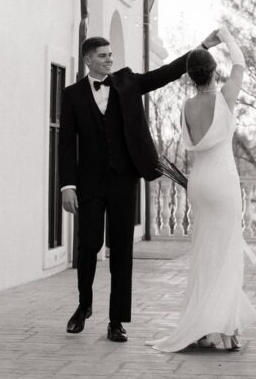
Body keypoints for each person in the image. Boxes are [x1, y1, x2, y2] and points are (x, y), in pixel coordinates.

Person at [58, 31, 221, 344]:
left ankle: (116, 321)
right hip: (89, 183)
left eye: (110, 54)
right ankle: (84, 305)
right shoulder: (72, 95)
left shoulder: (128, 82)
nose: (109, 59)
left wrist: (201, 48)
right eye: (103, 55)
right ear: (88, 59)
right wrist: (67, 185)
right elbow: (66, 144)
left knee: (121, 251)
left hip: (123, 179)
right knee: (88, 245)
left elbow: (167, 72)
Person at [149, 24, 256, 352]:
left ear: (191, 76)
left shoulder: (187, 107)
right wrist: (224, 34)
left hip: (199, 183)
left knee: (204, 255)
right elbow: (240, 62)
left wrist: (203, 45)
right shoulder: (225, 98)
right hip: (222, 181)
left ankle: (204, 327)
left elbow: (194, 63)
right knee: (226, 255)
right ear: (214, 72)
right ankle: (224, 331)